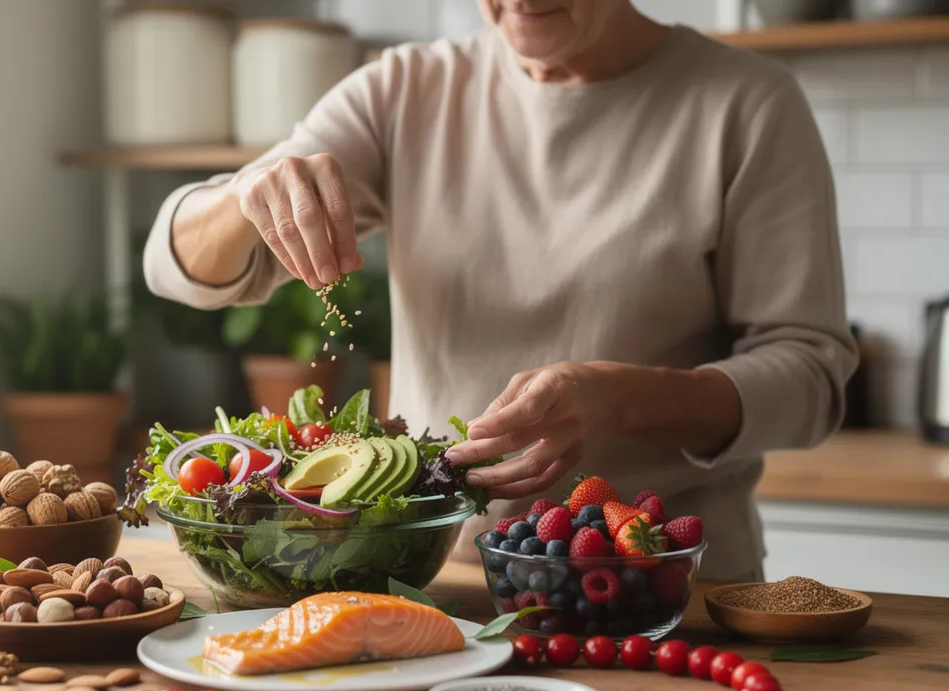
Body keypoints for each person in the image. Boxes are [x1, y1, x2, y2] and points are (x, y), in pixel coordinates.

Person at [142, 0, 857, 581]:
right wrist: (244, 195)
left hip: (664, 582)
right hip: (437, 583)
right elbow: (173, 265)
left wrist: (622, 398)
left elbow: (811, 377)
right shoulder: (405, 90)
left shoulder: (748, 104)